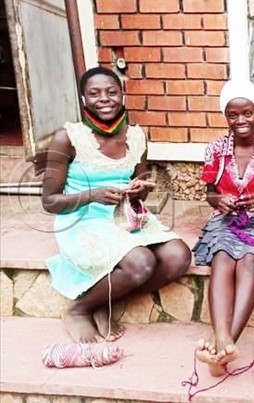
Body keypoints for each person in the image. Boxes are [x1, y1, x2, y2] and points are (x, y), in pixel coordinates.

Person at [42, 67, 192, 344]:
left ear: (122, 95)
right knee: (141, 263)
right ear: (83, 100)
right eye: (94, 93)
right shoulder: (68, 139)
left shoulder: (136, 137)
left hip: (124, 218)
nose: (105, 99)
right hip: (81, 220)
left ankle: (104, 302)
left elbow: (140, 190)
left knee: (178, 256)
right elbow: (50, 202)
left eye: (112, 92)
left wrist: (138, 191)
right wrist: (92, 195)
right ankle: (79, 310)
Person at [192, 79, 254, 376]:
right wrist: (218, 201)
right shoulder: (216, 149)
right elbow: (210, 192)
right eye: (233, 115)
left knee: (249, 259)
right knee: (222, 257)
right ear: (226, 117)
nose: (241, 121)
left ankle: (223, 346)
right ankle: (223, 339)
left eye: (247, 113)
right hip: (226, 220)